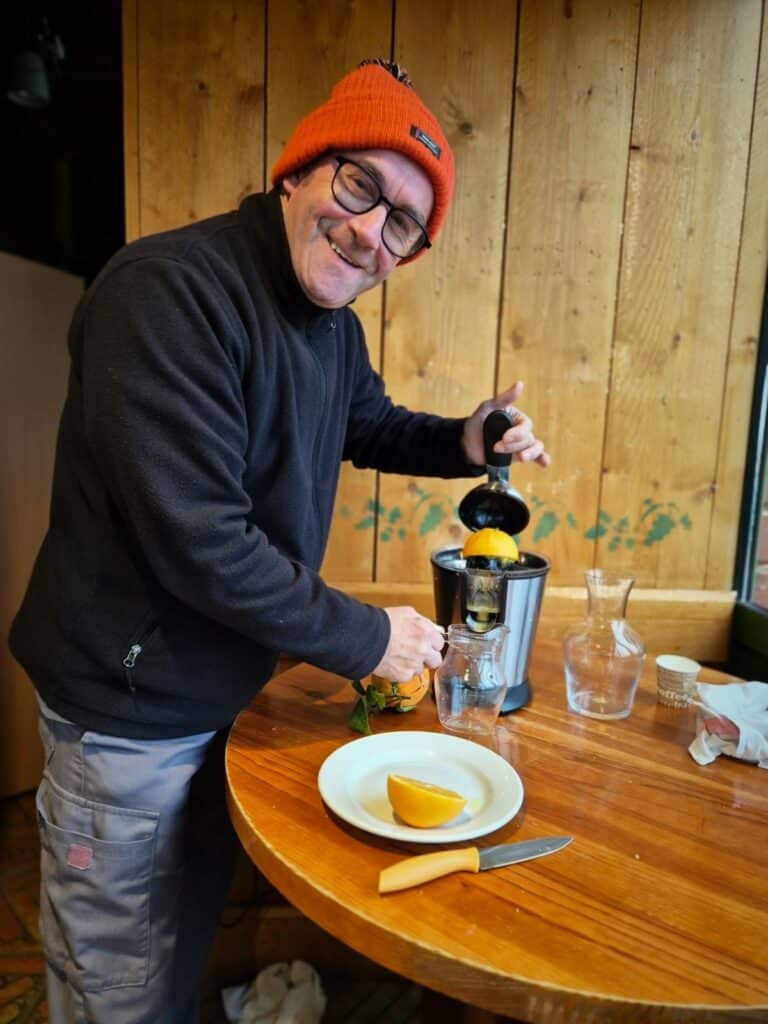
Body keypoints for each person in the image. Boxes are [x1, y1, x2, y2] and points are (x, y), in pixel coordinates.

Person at [9, 58, 549, 1023]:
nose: (369, 231)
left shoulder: (328, 325)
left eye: (402, 225)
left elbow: (368, 422)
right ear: (298, 169)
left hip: (228, 694)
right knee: (114, 981)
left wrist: (467, 441)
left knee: (183, 930)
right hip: (127, 715)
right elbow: (203, 544)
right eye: (359, 185)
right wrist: (370, 638)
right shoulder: (168, 294)